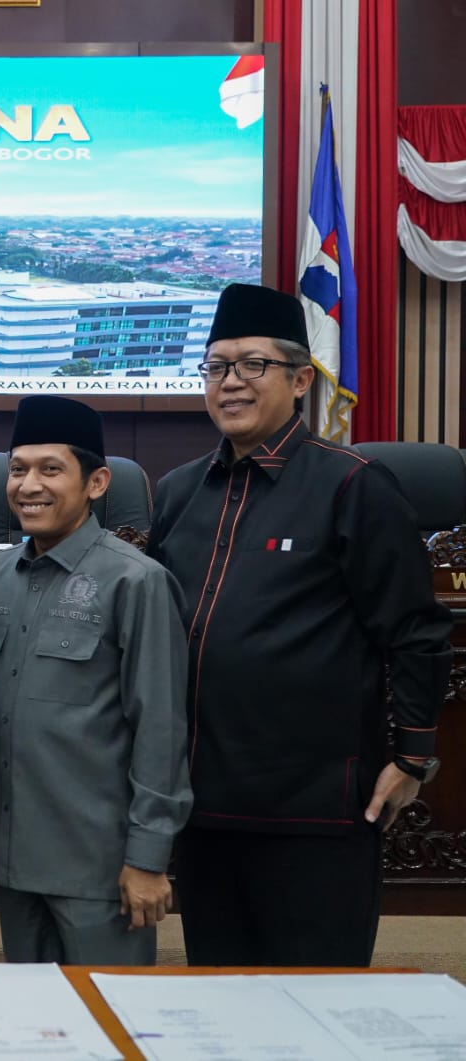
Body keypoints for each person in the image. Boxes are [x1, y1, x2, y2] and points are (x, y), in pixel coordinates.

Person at [148, 283, 454, 966]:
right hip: (204, 803)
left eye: (253, 364)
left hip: (315, 807)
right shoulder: (179, 490)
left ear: (300, 379)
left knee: (317, 999)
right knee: (220, 995)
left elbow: (417, 630)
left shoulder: (353, 485)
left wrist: (412, 758)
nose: (231, 381)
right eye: (217, 366)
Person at [0, 395, 191, 964]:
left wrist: (148, 857)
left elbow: (161, 729)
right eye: (17, 470)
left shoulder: (136, 581)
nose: (28, 486)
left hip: (100, 867)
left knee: (108, 1011)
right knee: (30, 1012)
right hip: (16, 858)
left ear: (96, 483)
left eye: (50, 469)